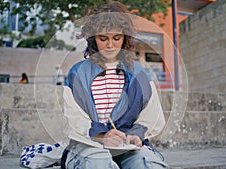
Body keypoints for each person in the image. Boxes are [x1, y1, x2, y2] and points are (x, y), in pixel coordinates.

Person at [61, 1, 167, 169]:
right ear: (93, 38)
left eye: (116, 38)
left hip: (127, 147)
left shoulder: (139, 74)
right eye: (103, 38)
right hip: (89, 146)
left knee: (145, 164)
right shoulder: (77, 73)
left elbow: (152, 115)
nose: (110, 45)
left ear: (125, 37)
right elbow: (74, 117)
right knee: (97, 163)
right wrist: (102, 135)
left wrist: (135, 134)